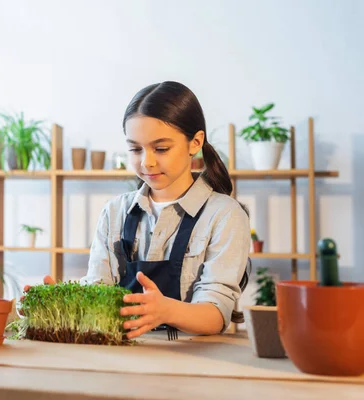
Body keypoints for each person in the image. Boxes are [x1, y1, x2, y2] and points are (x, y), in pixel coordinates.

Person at [26, 81, 251, 339]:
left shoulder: (225, 215)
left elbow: (216, 313)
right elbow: (98, 289)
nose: (147, 161)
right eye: (135, 149)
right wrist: (62, 302)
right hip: (122, 361)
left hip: (193, 364)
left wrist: (166, 310)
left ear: (195, 142)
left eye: (161, 148)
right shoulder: (114, 212)